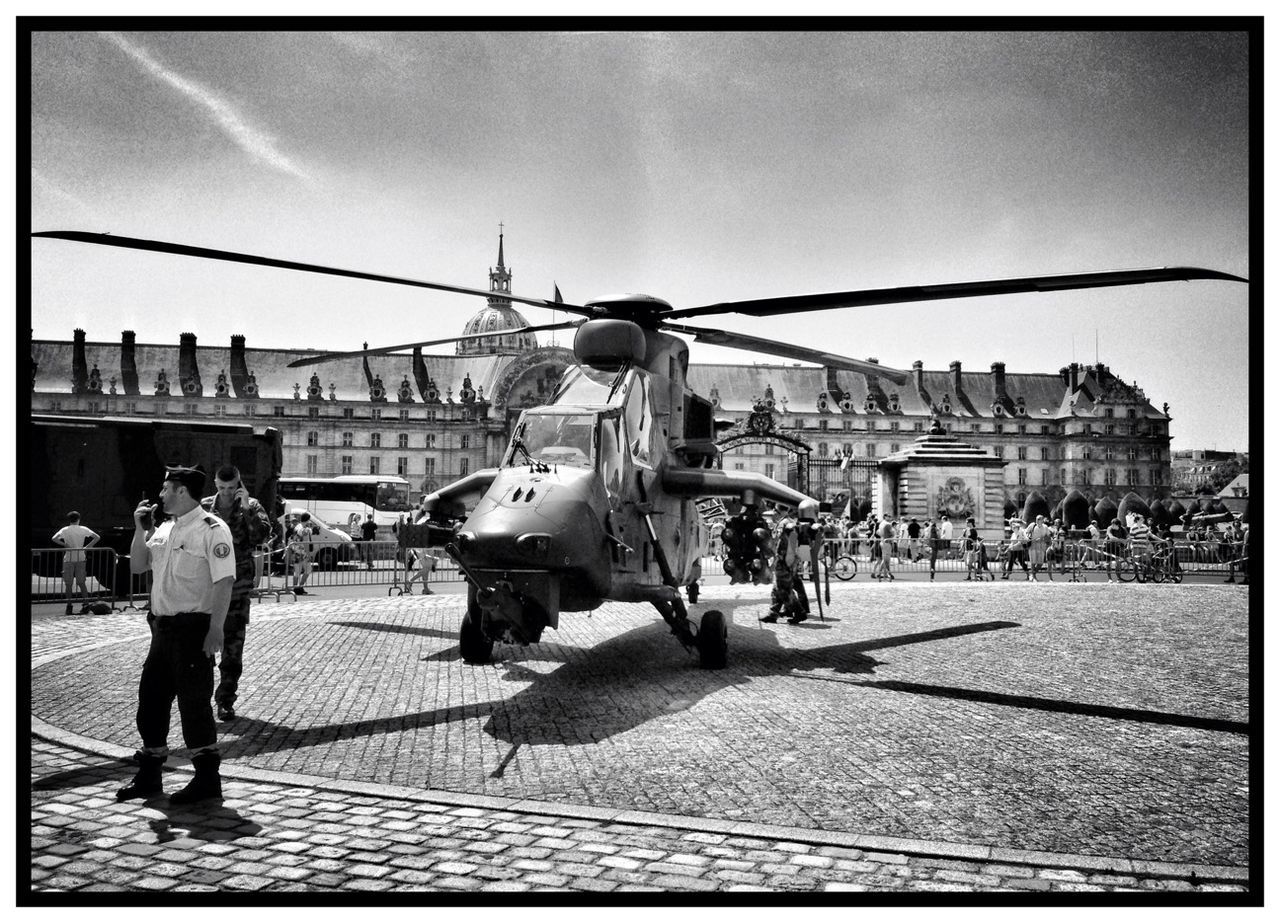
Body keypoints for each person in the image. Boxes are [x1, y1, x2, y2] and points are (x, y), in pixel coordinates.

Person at [117, 464, 233, 804]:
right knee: (150, 701)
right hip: (163, 629)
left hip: (193, 628)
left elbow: (223, 581)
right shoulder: (166, 528)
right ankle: (150, 774)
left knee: (194, 704)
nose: (161, 494)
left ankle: (207, 780)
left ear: (182, 491)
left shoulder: (211, 529)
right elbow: (137, 565)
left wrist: (216, 630)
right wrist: (140, 529)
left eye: (166, 488)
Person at [200, 465, 270, 722]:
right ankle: (199, 701)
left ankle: (225, 701)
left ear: (239, 485)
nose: (227, 493)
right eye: (221, 488)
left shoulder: (251, 506)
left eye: (231, 488)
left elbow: (261, 536)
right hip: (206, 590)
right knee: (202, 650)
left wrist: (248, 508)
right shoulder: (204, 507)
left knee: (232, 651)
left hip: (237, 589)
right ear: (215, 485)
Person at [51, 511, 100, 615]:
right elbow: (97, 537)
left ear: (69, 520)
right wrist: (87, 547)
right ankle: (86, 605)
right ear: (79, 519)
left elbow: (54, 538)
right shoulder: (83, 529)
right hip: (81, 557)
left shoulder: (65, 530)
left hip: (68, 558)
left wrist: (65, 544)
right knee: (82, 583)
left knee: (68, 584)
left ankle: (69, 606)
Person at [764, 514, 809, 623]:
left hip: (784, 564)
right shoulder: (789, 523)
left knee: (784, 590)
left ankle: (799, 612)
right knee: (776, 590)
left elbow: (785, 548)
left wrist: (781, 564)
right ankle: (773, 614)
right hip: (787, 563)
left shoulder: (785, 525)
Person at [288, 512, 319, 595]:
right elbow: (306, 543)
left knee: (297, 571)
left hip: (296, 551)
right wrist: (308, 554)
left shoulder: (297, 527)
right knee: (308, 570)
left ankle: (295, 588)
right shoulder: (304, 529)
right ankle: (300, 587)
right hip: (303, 552)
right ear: (308, 520)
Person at [1026, 514, 1051, 582]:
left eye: (1039, 519)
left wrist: (1042, 538)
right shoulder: (1032, 525)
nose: (1037, 520)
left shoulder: (1045, 527)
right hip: (1032, 546)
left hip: (1042, 546)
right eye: (1037, 519)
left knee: (1040, 563)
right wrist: (1029, 538)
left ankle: (1032, 574)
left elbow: (1048, 536)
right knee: (1033, 562)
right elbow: (1026, 533)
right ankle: (1034, 577)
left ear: (1042, 520)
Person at [1104, 518, 1127, 584]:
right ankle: (1109, 579)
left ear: (1118, 525)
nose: (1112, 526)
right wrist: (1122, 540)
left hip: (1116, 547)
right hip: (1107, 546)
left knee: (1118, 562)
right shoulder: (1109, 528)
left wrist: (1127, 540)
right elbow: (1111, 537)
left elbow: (1128, 537)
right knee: (1108, 563)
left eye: (1113, 524)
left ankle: (1119, 578)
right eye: (1112, 524)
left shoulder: (1123, 529)